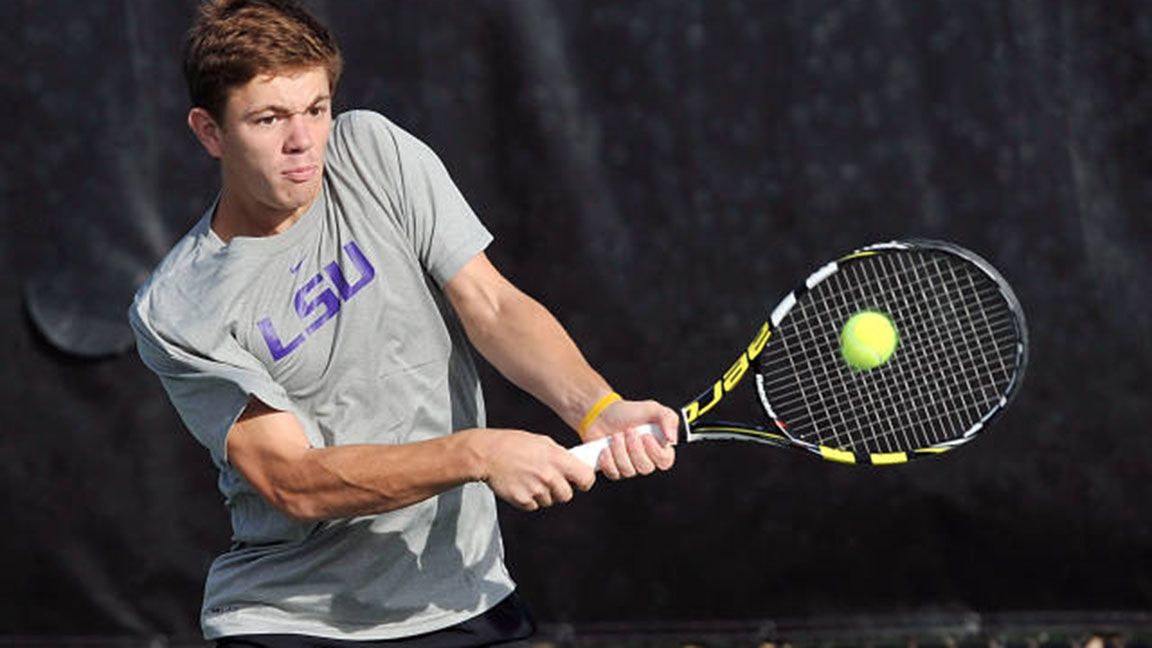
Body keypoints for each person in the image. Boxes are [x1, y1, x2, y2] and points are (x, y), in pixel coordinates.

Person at [128, 1, 679, 646]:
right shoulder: (178, 308)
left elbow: (492, 304)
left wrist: (597, 408)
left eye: (316, 108)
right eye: (268, 119)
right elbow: (292, 482)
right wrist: (476, 453)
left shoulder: (373, 152)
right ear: (210, 131)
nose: (302, 140)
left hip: (464, 596)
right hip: (289, 620)